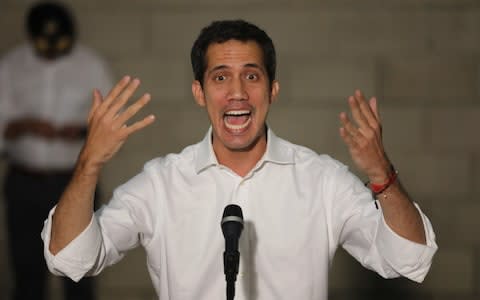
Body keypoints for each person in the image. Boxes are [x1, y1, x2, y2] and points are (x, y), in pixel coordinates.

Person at [41, 20, 437, 300]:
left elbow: (410, 260)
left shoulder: (322, 180)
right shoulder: (160, 183)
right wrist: (89, 163)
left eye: (251, 76)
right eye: (219, 77)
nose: (237, 93)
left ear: (273, 89)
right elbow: (70, 259)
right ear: (199, 92)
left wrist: (381, 173)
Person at [0, 1, 113, 300]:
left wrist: (75, 131)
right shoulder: (11, 65)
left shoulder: (91, 65)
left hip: (73, 181)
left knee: (78, 270)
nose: (51, 50)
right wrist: (25, 126)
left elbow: (109, 121)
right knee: (26, 270)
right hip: (24, 180)